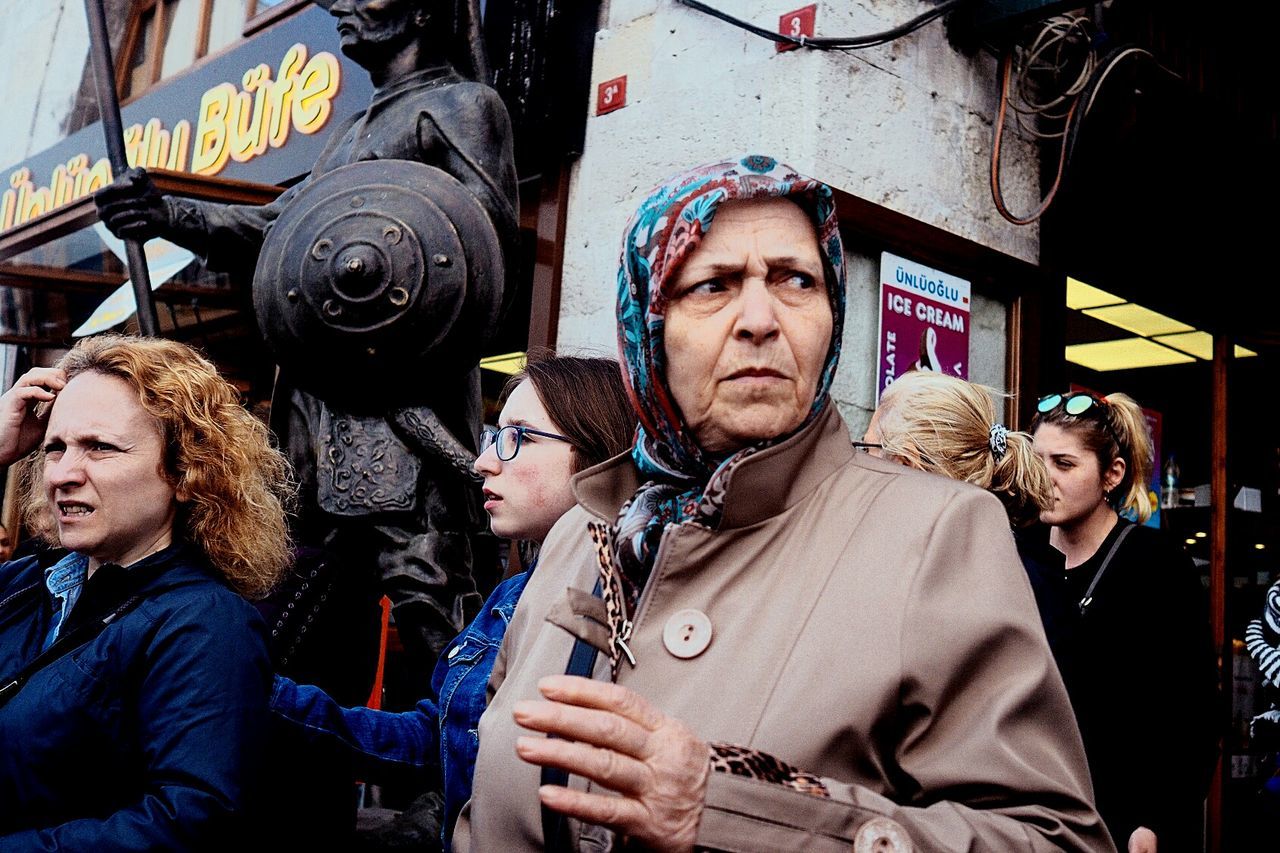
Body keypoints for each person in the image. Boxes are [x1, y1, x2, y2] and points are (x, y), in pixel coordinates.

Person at [455, 156, 1113, 851]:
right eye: (713, 284)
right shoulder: (581, 533)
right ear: (648, 325)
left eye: (797, 279)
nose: (761, 320)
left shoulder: (935, 536)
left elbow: (1056, 837)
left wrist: (730, 811)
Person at [96, 0, 517, 687]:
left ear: (422, 12)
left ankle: (451, 781)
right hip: (315, 413)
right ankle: (306, 775)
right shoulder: (352, 128)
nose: (343, 9)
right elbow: (276, 230)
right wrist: (167, 213)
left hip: (400, 406)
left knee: (430, 599)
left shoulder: (464, 105)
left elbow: (484, 252)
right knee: (308, 607)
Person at [270, 353, 635, 850]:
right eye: (494, 437)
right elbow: (439, 738)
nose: (485, 461)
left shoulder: (633, 604)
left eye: (518, 438)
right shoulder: (513, 595)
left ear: (597, 452)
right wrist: (266, 695)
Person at [0, 334, 292, 850]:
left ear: (185, 473)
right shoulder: (26, 586)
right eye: (54, 449)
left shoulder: (204, 624)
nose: (65, 473)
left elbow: (189, 821)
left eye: (100, 448)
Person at [1030, 390, 1218, 853]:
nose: (1045, 477)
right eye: (1037, 460)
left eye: (1065, 464)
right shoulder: (1018, 551)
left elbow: (1191, 713)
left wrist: (1155, 820)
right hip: (1031, 815)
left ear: (1111, 475)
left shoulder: (1157, 567)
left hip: (1121, 823)